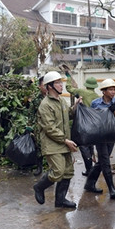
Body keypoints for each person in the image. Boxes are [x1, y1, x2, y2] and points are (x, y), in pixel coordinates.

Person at [33, 71, 79, 209]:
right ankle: (39, 187)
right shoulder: (45, 105)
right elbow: (50, 128)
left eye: (61, 82)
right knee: (58, 171)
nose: (61, 85)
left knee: (68, 172)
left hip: (64, 142)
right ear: (50, 86)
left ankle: (60, 200)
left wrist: (76, 106)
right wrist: (66, 140)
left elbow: (68, 115)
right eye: (58, 83)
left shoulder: (61, 101)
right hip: (52, 144)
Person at [85, 78, 115, 199]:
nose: (113, 92)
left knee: (101, 161)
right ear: (104, 91)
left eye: (114, 89)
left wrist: (112, 108)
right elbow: (93, 118)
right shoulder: (95, 103)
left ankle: (90, 183)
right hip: (99, 135)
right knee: (105, 161)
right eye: (110, 89)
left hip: (111, 135)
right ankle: (111, 188)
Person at [65, 71, 99, 176]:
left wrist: (68, 77)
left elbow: (69, 89)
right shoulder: (97, 96)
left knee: (84, 146)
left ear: (86, 85)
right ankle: (91, 167)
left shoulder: (82, 92)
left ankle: (89, 170)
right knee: (90, 145)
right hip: (93, 124)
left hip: (83, 124)